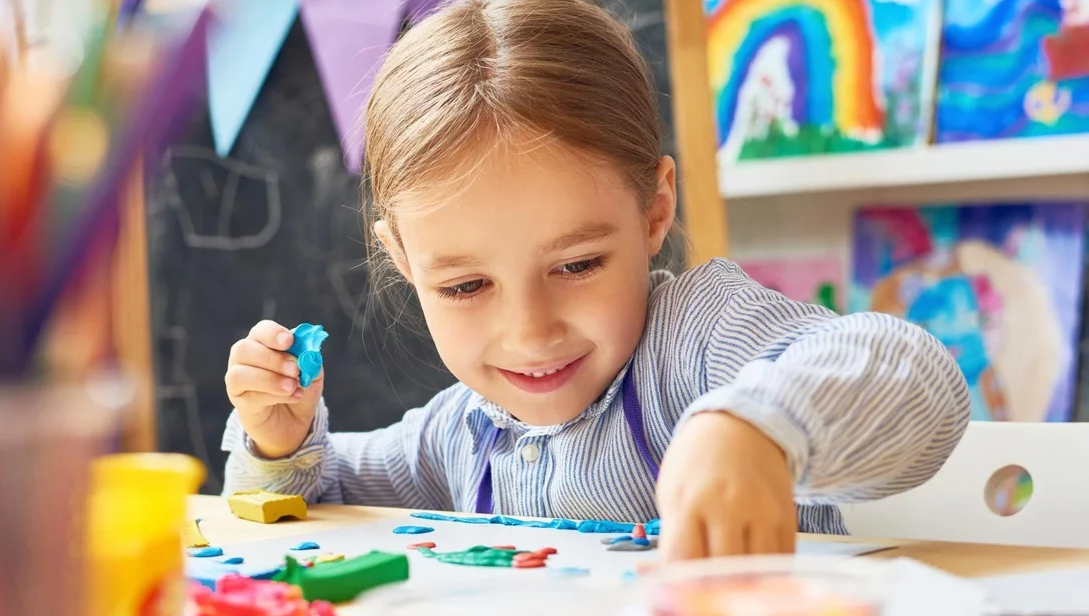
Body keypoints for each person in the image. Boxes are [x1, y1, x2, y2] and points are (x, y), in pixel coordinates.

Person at [221, 0, 970, 561]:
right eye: (465, 287)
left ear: (655, 210)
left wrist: (759, 430)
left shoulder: (700, 340)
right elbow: (319, 503)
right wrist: (281, 446)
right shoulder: (464, 433)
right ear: (404, 260)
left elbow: (916, 376)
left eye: (576, 265)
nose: (531, 332)